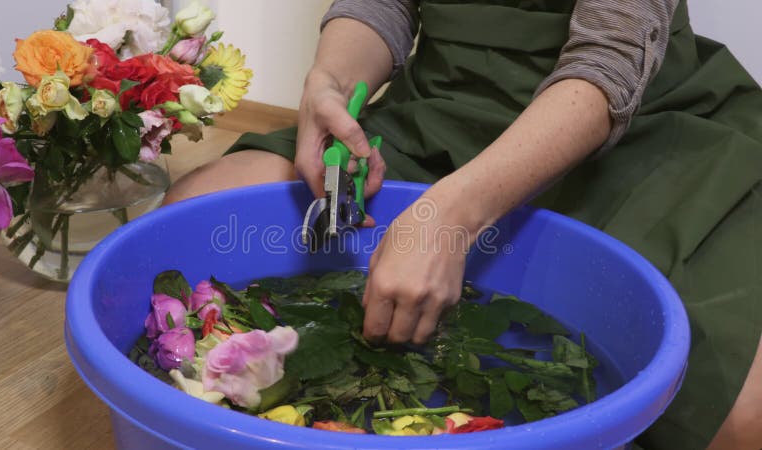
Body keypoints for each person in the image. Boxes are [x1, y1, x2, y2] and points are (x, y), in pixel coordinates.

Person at [164, 1, 762, 448]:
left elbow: (612, 60)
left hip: (629, 124)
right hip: (445, 108)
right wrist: (331, 85)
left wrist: (450, 217)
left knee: (738, 416)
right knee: (192, 215)